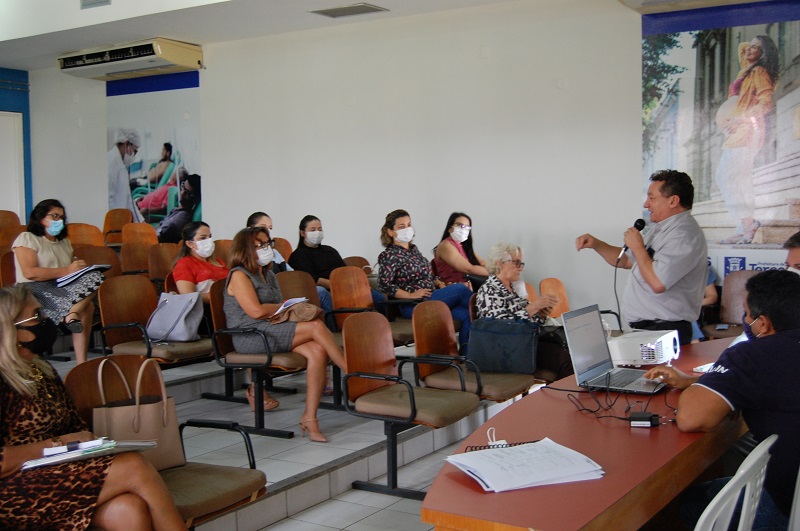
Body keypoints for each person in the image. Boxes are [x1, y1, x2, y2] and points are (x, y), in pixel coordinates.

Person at [0, 284, 184, 530]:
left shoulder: (41, 369)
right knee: (132, 466)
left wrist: (90, 444)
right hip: (13, 489)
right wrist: (57, 444)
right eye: (36, 316)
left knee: (127, 509)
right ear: (9, 329)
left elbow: (74, 427)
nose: (45, 320)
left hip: (54, 471)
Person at [644, 270, 800, 529]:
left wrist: (707, 385)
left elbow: (692, 419)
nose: (744, 320)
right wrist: (699, 382)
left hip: (785, 505)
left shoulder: (752, 355)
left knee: (686, 502)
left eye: (747, 314)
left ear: (763, 324)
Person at [224, 227, 346, 442]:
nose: (265, 248)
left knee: (317, 350)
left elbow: (270, 311)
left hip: (271, 328)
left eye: (267, 243)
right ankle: (351, 372)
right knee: (316, 326)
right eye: (259, 245)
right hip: (250, 335)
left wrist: (283, 307)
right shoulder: (239, 275)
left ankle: (310, 418)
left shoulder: (268, 274)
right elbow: (255, 311)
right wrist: (282, 306)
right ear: (245, 249)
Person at [576, 170, 707, 345]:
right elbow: (627, 261)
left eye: (652, 198)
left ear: (673, 201)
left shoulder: (684, 235)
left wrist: (637, 246)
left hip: (664, 330)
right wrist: (596, 244)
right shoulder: (662, 228)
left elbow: (658, 282)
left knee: (656, 374)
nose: (646, 204)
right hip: (647, 329)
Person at [12, 199, 104, 365]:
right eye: (54, 216)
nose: (59, 220)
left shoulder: (65, 243)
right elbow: (30, 272)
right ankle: (71, 314)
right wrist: (68, 270)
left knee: (96, 276)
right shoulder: (27, 238)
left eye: (62, 217)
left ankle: (71, 319)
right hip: (32, 289)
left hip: (60, 286)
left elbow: (69, 273)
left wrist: (78, 270)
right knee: (88, 307)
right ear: (40, 217)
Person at [715, 35, 779, 245]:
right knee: (735, 179)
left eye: (756, 48)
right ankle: (744, 227)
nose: (749, 50)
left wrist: (741, 120)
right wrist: (752, 45)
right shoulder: (746, 69)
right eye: (749, 46)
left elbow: (766, 103)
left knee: (727, 177)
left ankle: (746, 225)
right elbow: (742, 48)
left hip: (747, 131)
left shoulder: (759, 72)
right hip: (738, 132)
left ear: (763, 54)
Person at [378, 209, 472, 350]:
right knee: (460, 290)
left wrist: (438, 282)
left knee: (467, 314)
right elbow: (384, 284)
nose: (407, 229)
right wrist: (410, 295)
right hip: (413, 304)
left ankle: (466, 358)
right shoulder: (389, 255)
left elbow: (426, 275)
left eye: (409, 225)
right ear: (390, 232)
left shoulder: (414, 251)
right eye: (401, 227)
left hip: (431, 296)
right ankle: (490, 310)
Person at [475, 242, 558, 323]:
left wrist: (540, 314)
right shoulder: (489, 291)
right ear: (500, 264)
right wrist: (534, 307)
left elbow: (524, 317)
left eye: (521, 264)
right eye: (517, 263)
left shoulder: (513, 288)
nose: (521, 269)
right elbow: (500, 327)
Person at [172, 221, 229, 304]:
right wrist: (213, 296)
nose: (209, 241)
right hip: (208, 310)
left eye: (210, 237)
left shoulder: (218, 262)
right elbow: (188, 296)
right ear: (190, 244)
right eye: (203, 238)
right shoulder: (184, 264)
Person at [432, 212, 488, 287]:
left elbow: (482, 263)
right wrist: (497, 273)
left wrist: (499, 268)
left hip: (469, 284)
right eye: (460, 225)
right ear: (450, 228)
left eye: (467, 227)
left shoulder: (464, 245)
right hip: (454, 288)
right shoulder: (445, 246)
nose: (463, 229)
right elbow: (469, 269)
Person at [107, 128, 144, 223]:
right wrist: (114, 221)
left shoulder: (122, 165)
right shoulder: (111, 161)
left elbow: (129, 200)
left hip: (120, 219)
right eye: (134, 151)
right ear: (127, 143)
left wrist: (141, 222)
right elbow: (108, 198)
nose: (133, 155)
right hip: (113, 220)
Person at [155, 172, 201, 244]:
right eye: (183, 188)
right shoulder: (176, 210)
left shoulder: (182, 218)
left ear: (195, 199)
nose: (182, 193)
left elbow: (161, 239)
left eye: (188, 193)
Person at [136, 143, 176, 218]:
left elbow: (159, 175)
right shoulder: (168, 185)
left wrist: (145, 181)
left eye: (163, 150)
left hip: (143, 207)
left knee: (132, 184)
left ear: (168, 152)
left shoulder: (170, 188)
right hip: (142, 202)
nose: (162, 152)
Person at [690, 259, 719, 343]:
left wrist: (694, 304)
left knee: (686, 314)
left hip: (690, 308)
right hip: (665, 307)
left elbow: (712, 296)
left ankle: (694, 347)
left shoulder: (701, 268)